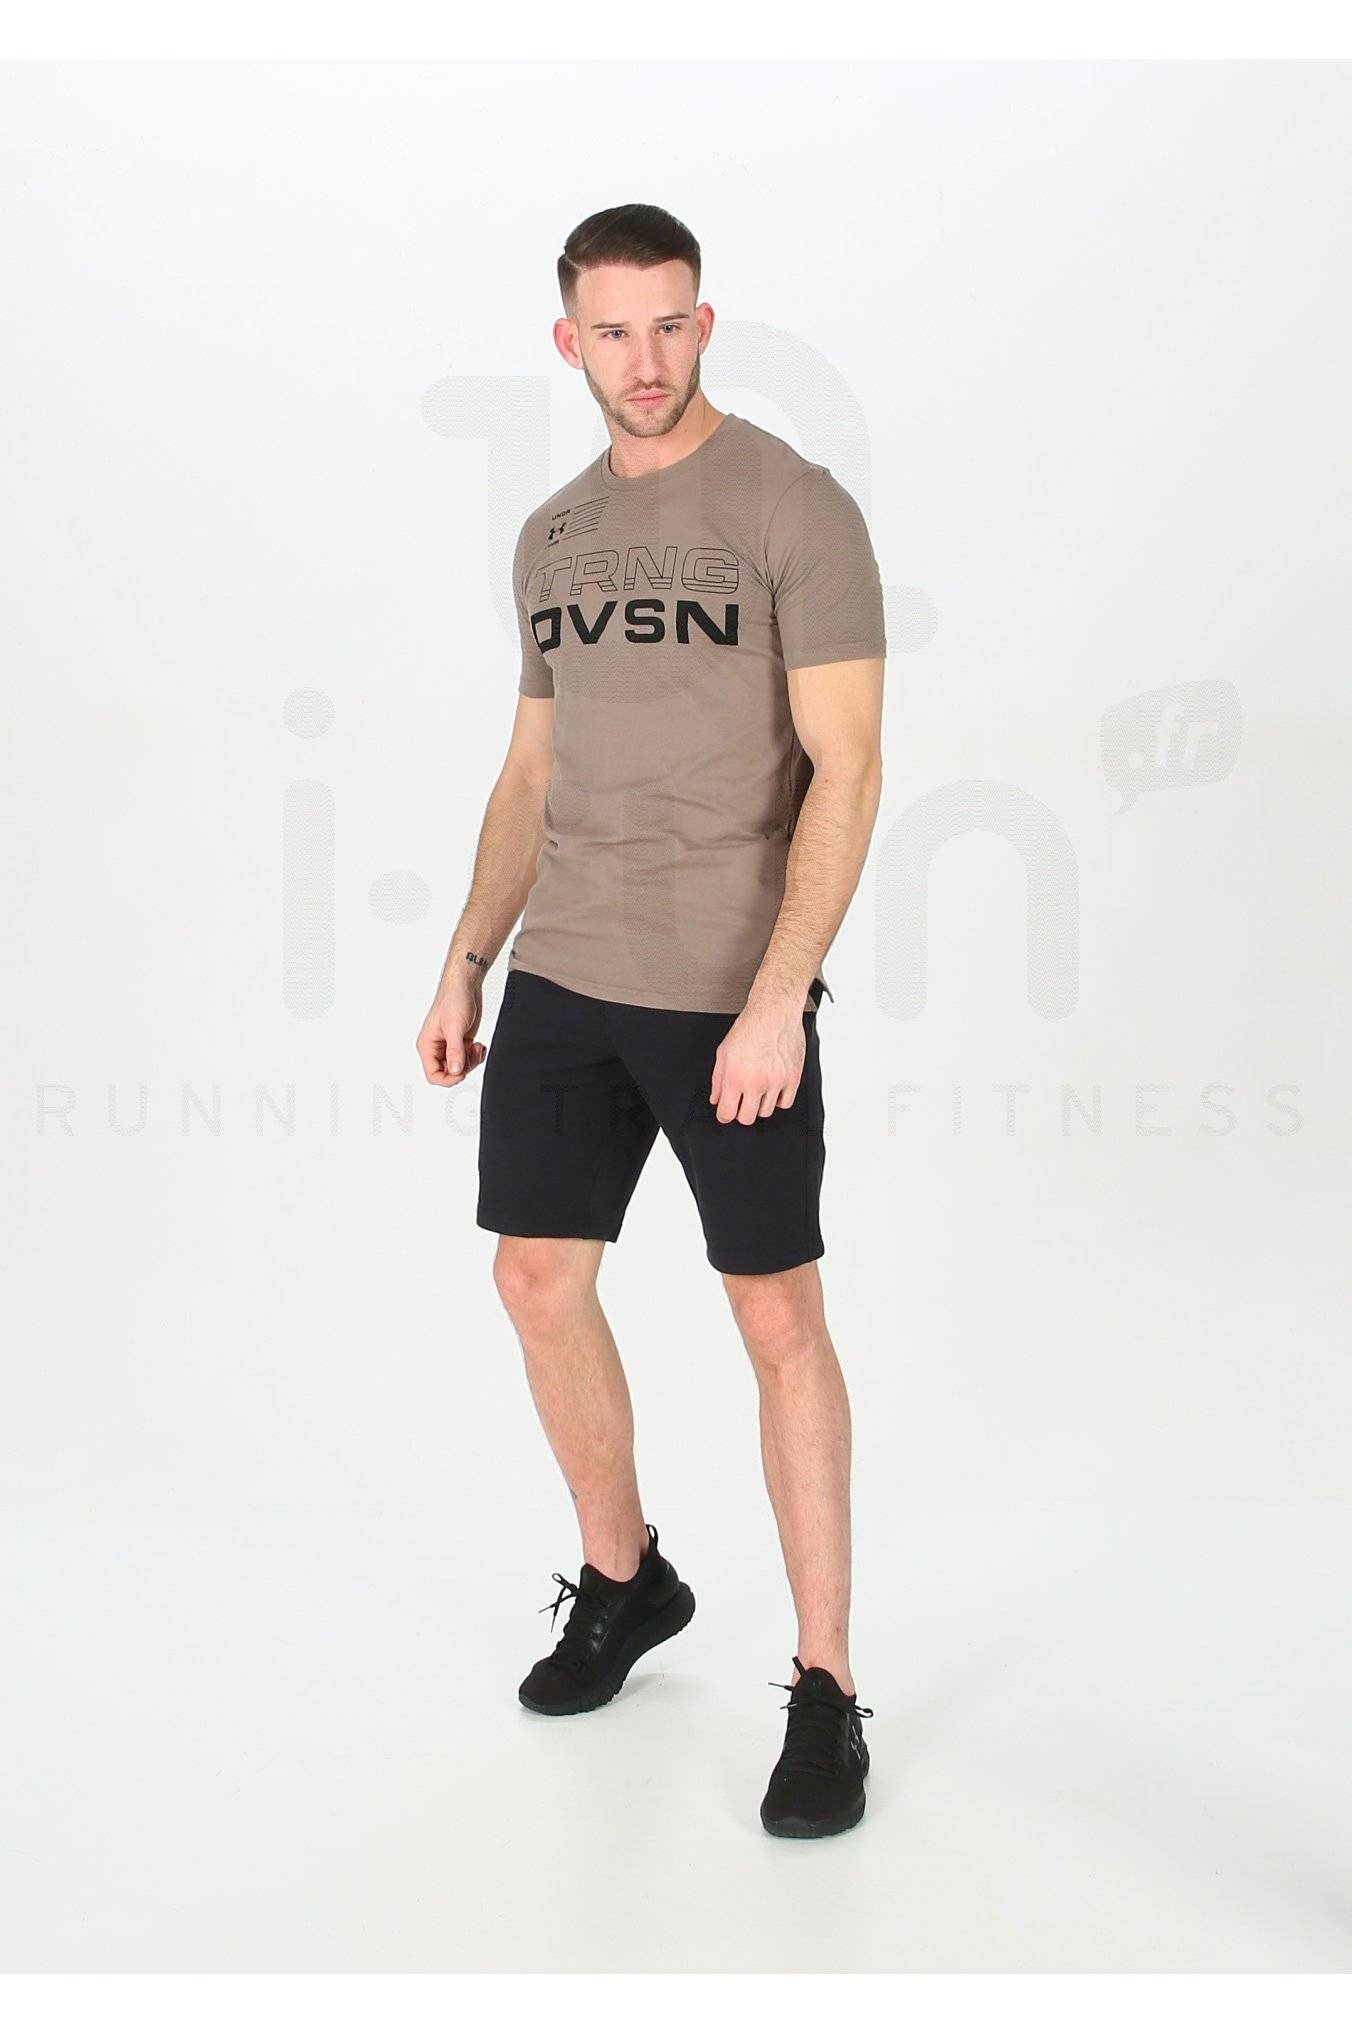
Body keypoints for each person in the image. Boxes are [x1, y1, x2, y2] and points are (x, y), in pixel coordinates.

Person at [416, 203, 885, 1839]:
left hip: (725, 987)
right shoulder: (552, 535)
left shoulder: (794, 507)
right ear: (569, 341)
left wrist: (779, 995)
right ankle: (627, 1580)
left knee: (775, 1318)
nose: (644, 356)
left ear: (706, 323)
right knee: (533, 1279)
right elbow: (530, 770)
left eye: (670, 323)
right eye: (612, 330)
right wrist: (469, 956)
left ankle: (826, 1685)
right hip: (566, 970)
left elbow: (848, 766)